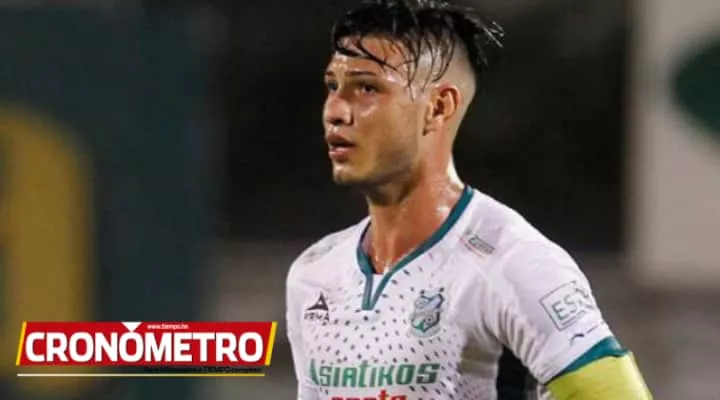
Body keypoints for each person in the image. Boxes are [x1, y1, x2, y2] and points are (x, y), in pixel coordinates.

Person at [285, 1, 653, 399]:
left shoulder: (513, 264)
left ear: (438, 107)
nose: (335, 111)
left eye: (367, 88)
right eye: (333, 86)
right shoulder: (314, 273)